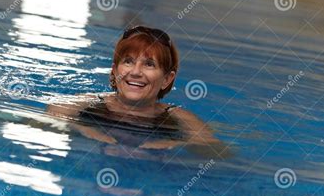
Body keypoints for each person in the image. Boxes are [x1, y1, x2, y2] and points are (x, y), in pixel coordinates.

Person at [48, 25, 228, 157]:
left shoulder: (179, 119)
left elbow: (218, 156)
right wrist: (85, 131)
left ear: (167, 79)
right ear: (114, 70)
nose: (135, 72)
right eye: (128, 61)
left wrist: (167, 144)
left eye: (149, 64)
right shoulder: (84, 105)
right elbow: (45, 123)